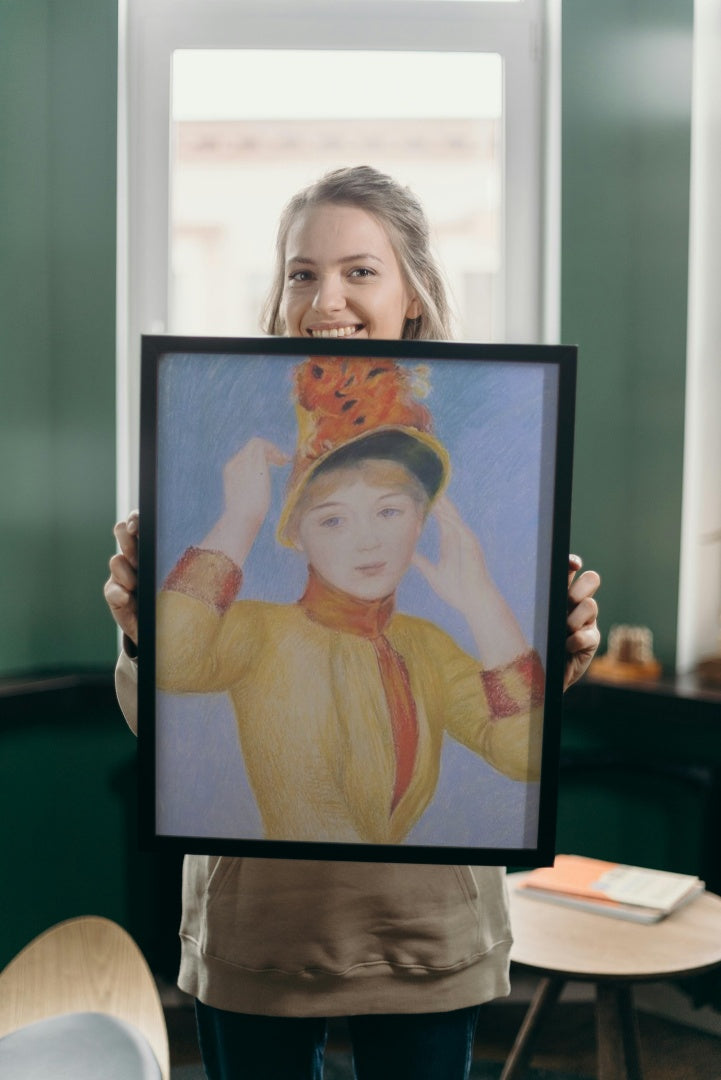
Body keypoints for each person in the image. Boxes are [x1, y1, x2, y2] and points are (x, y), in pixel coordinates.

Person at [105, 166, 601, 1080]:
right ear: (294, 529)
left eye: (359, 271)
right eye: (301, 272)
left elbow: (521, 751)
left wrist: (499, 607)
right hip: (261, 931)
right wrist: (227, 528)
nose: (325, 297)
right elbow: (166, 699)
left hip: (426, 931)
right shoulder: (249, 624)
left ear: (412, 292)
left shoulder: (431, 642)